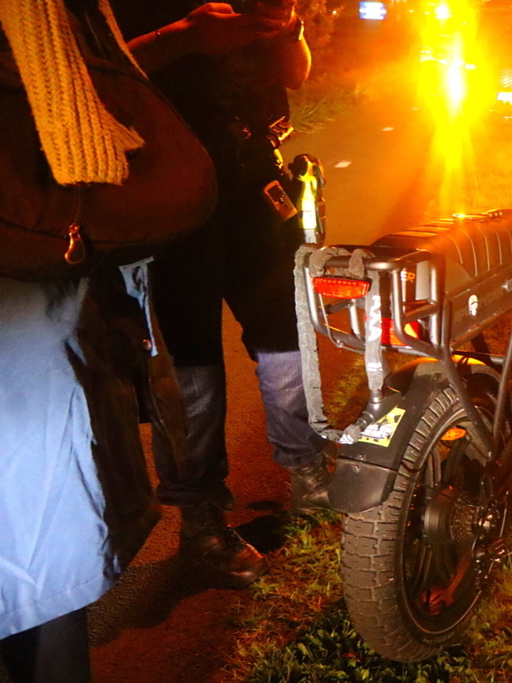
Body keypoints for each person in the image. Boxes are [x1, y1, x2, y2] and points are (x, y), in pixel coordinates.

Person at [109, 0, 336, 588]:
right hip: (163, 193)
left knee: (288, 344)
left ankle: (309, 479)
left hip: (253, 188)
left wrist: (287, 25)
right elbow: (94, 74)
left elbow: (293, 73)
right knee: (190, 368)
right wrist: (185, 36)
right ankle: (199, 518)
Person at [0, 0, 191, 679]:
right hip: (34, 284)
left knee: (41, 556)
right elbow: (102, 154)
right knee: (42, 556)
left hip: (34, 287)